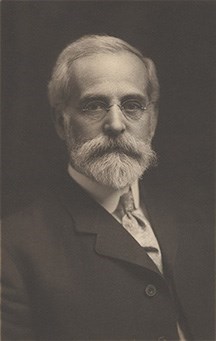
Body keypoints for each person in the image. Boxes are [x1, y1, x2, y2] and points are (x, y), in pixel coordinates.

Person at [1, 35, 214, 341]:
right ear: (61, 122)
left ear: (151, 120)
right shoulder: (12, 246)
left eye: (132, 105)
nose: (115, 124)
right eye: (94, 106)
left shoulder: (201, 223)